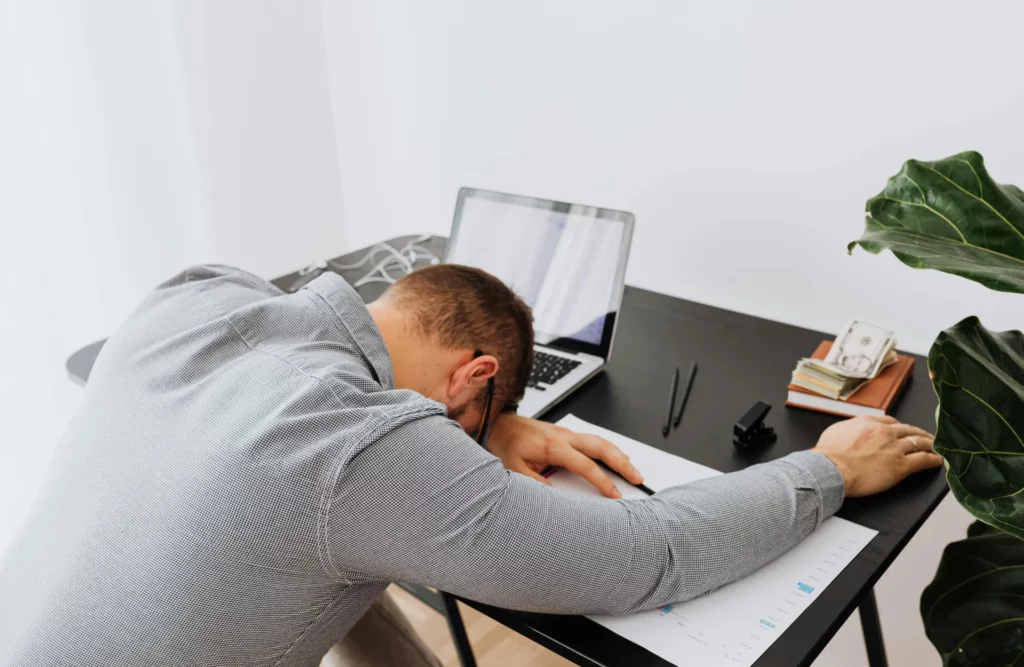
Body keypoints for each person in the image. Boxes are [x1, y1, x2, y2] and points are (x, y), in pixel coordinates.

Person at [0, 264, 942, 667]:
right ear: (477, 375)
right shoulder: (354, 451)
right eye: (482, 408)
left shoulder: (194, 298)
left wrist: (479, 430)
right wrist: (827, 469)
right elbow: (643, 555)